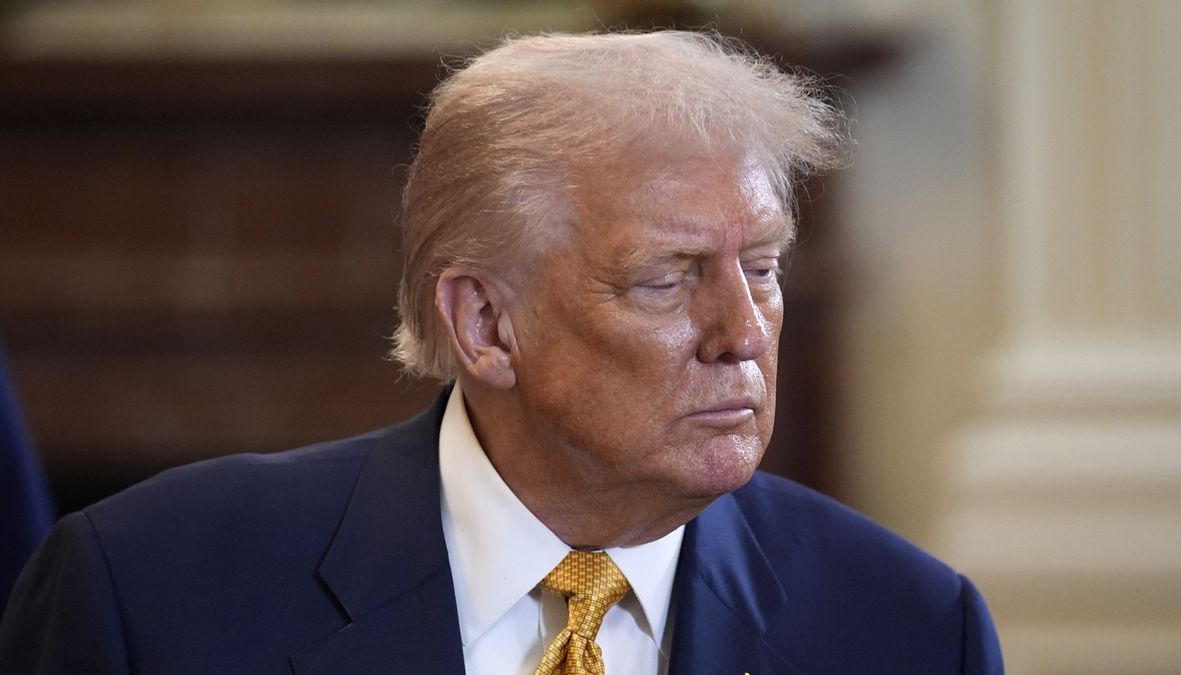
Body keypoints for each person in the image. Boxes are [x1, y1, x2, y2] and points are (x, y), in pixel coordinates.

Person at [0, 31, 1003, 674]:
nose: (742, 334)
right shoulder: (150, 594)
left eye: (767, 270)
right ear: (484, 325)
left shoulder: (911, 629)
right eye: (667, 277)